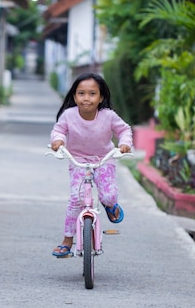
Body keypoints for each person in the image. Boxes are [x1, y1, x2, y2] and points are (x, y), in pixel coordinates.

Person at [50, 72, 133, 257]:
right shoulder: (68, 115)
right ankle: (67, 241)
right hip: (78, 161)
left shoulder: (108, 116)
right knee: (76, 199)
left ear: (101, 97)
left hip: (104, 159)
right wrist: (58, 141)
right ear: (74, 96)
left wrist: (125, 143)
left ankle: (110, 205)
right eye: (81, 93)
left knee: (109, 195)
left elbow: (124, 129)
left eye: (92, 93)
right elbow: (59, 130)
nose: (86, 98)